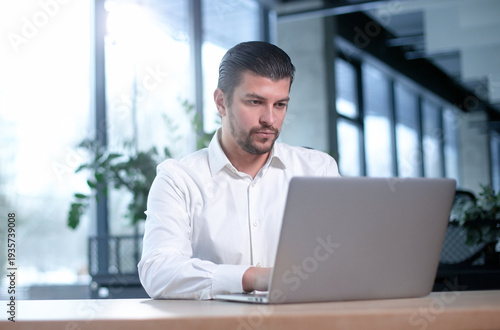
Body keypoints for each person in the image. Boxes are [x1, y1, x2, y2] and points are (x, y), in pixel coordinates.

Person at [138, 41, 340, 300]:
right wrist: (256, 277)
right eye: (255, 102)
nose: (270, 118)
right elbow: (158, 271)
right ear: (221, 102)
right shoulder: (178, 179)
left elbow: (342, 259)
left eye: (280, 104)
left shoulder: (318, 169)